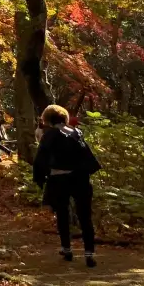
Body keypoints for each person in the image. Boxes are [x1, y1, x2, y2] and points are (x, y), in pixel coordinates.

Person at [33, 104, 102, 267]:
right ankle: (89, 253)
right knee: (85, 216)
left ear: (47, 119)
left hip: (59, 180)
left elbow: (40, 159)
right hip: (81, 178)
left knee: (62, 215)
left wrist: (39, 179)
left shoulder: (49, 135)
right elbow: (88, 155)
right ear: (64, 117)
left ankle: (67, 249)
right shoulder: (76, 132)